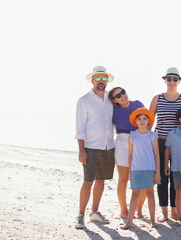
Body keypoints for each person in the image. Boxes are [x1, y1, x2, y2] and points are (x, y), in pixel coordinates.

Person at [74, 65, 115, 229]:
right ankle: (80, 215)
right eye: (98, 78)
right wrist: (81, 150)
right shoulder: (84, 100)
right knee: (87, 182)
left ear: (107, 81)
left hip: (108, 147)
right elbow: (79, 128)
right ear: (92, 80)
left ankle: (95, 213)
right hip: (91, 147)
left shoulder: (111, 99)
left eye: (104, 78)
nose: (101, 81)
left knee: (101, 181)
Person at [149, 67, 181, 222]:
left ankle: (174, 210)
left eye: (175, 79)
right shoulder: (157, 98)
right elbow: (149, 120)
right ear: (165, 81)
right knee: (161, 177)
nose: (172, 82)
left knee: (176, 177)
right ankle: (164, 212)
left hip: (178, 143)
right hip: (159, 141)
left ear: (179, 81)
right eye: (169, 79)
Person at [108, 87, 147, 220]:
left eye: (123, 92)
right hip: (122, 142)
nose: (122, 96)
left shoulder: (138, 104)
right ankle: (124, 210)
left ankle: (138, 209)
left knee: (142, 179)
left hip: (139, 140)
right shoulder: (114, 110)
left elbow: (148, 121)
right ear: (115, 100)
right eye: (118, 96)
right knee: (123, 179)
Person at [121, 107, 161, 230]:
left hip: (149, 169)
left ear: (149, 120)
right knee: (134, 195)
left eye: (144, 118)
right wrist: (128, 172)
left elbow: (157, 155)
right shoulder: (132, 135)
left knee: (150, 194)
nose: (142, 121)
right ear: (136, 121)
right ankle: (129, 221)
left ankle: (152, 220)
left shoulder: (153, 135)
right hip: (136, 170)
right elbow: (130, 155)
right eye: (139, 119)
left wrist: (158, 173)